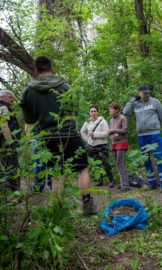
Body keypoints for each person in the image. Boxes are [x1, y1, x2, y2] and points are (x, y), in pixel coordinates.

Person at [20, 56, 97, 217]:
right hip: (69, 133)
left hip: (46, 138)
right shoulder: (65, 86)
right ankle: (87, 205)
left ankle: (58, 210)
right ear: (51, 68)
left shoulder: (27, 92)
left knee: (56, 173)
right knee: (82, 169)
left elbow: (29, 121)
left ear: (35, 70)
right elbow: (73, 110)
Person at [123, 85, 162, 192]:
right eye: (144, 93)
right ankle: (152, 183)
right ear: (139, 93)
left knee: (159, 158)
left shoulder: (155, 102)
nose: (147, 95)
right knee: (145, 160)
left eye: (148, 93)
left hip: (155, 134)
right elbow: (125, 112)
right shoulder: (135, 103)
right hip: (142, 136)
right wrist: (133, 99)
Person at [81, 106, 114, 187]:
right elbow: (82, 131)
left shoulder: (102, 121)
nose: (93, 113)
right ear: (89, 113)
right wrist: (88, 139)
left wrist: (94, 134)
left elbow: (106, 133)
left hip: (102, 146)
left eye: (95, 111)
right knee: (96, 164)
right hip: (92, 146)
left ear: (97, 112)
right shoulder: (87, 122)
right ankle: (100, 181)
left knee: (105, 163)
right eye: (91, 111)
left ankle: (111, 181)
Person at [0, 90, 20, 191]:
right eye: (11, 97)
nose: (13, 100)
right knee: (13, 167)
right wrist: (10, 143)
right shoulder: (3, 107)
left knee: (5, 167)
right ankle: (15, 193)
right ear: (3, 97)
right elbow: (4, 126)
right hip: (6, 144)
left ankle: (7, 193)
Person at [108, 102, 129, 190]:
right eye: (109, 110)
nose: (110, 111)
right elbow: (111, 132)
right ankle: (123, 182)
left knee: (120, 163)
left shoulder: (123, 118)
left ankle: (125, 185)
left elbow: (125, 130)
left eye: (111, 109)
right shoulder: (111, 120)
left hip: (122, 142)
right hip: (114, 143)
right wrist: (111, 134)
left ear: (116, 110)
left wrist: (113, 130)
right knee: (118, 164)